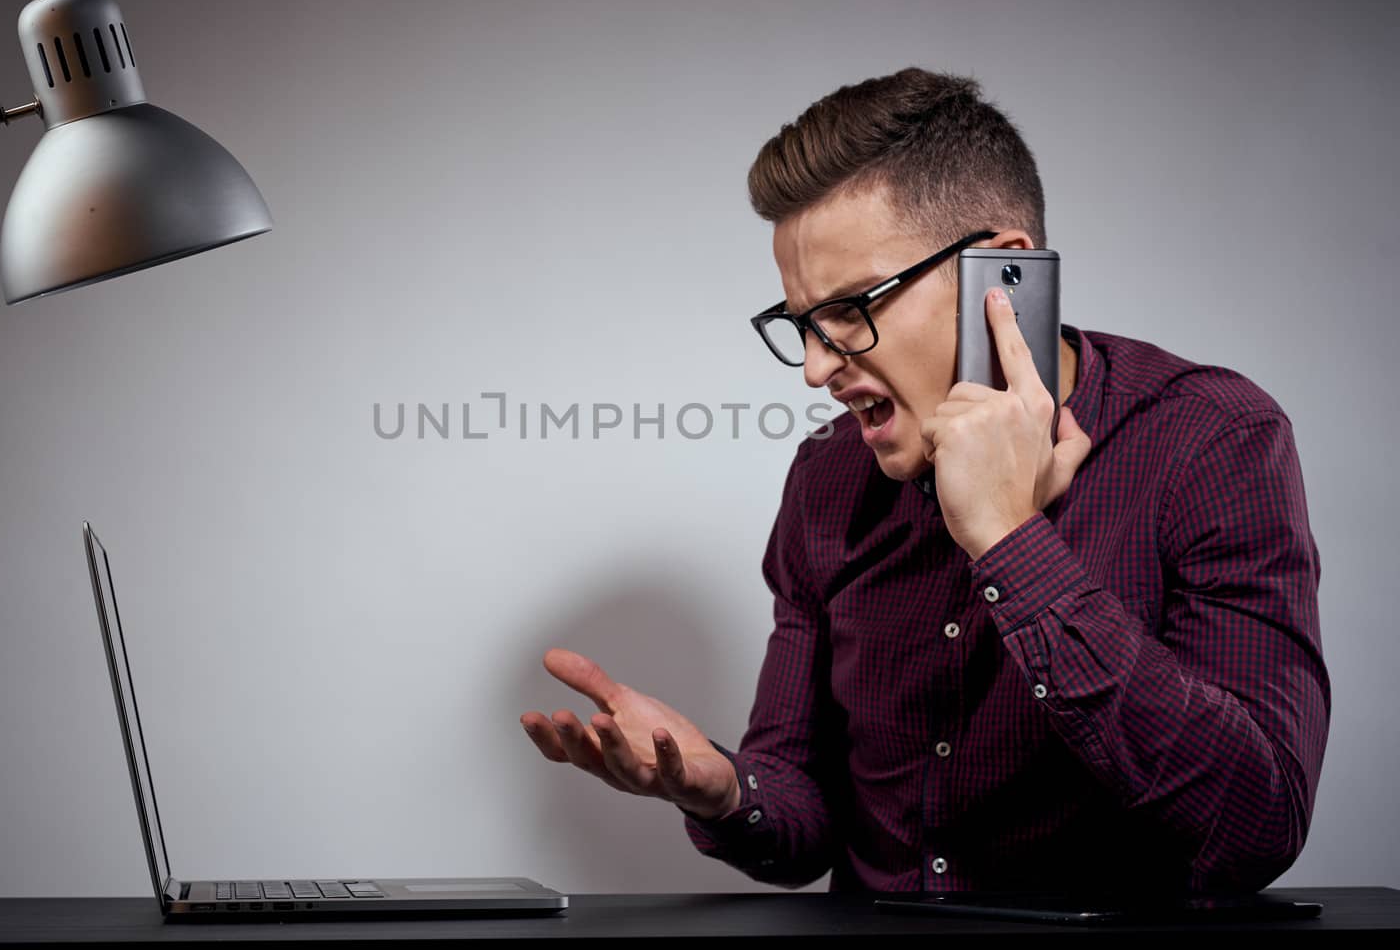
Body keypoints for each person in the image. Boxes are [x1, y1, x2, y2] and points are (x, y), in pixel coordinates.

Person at [520, 68, 1330, 895]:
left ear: (1004, 276)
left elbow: (1256, 823)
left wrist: (1011, 543)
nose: (815, 367)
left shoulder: (1210, 438)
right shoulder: (827, 478)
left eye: (851, 308)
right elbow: (805, 817)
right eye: (801, 323)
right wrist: (729, 791)